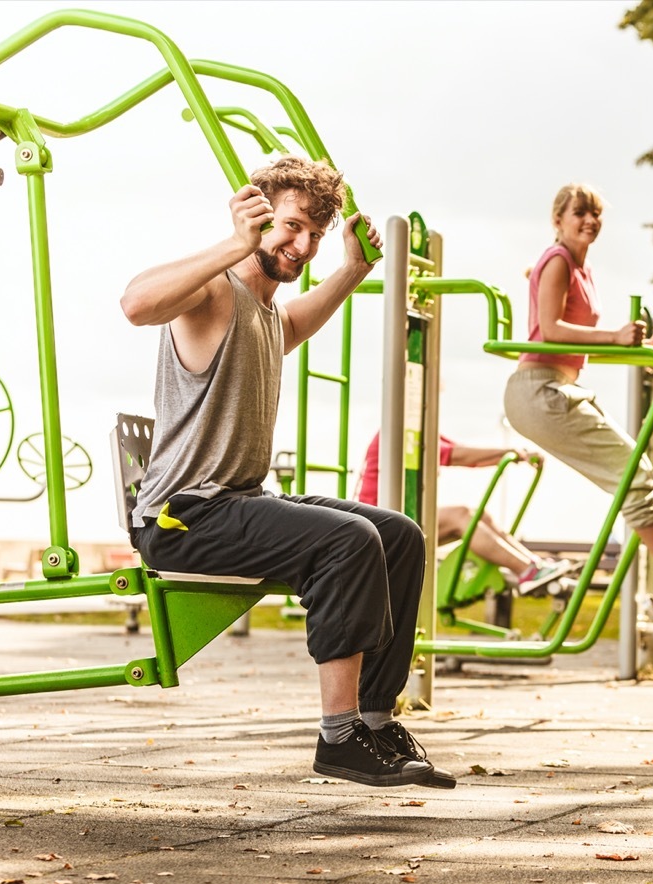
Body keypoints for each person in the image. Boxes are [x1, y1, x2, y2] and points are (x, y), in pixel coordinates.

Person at [120, 155, 454, 791]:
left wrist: (353, 269)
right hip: (182, 516)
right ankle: (339, 737)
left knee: (399, 534)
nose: (300, 247)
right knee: (346, 541)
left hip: (235, 504)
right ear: (260, 212)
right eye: (291, 227)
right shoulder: (216, 290)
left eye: (313, 237)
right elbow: (136, 304)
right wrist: (234, 243)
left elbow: (299, 318)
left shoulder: (268, 312)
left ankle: (377, 723)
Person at [503, 183, 653, 599]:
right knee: (631, 474)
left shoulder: (583, 269)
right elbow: (552, 329)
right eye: (580, 212)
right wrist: (616, 336)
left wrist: (643, 347)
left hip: (558, 387)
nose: (590, 220)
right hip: (539, 391)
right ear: (558, 220)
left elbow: (582, 341)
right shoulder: (558, 260)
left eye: (596, 213)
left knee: (639, 471)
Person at [356, 431, 573, 594]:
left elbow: (465, 456)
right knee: (461, 516)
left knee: (479, 515)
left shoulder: (421, 429)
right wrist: (511, 452)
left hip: (398, 517)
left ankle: (533, 566)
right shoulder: (403, 430)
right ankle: (527, 571)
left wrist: (515, 456)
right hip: (379, 523)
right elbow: (458, 456)